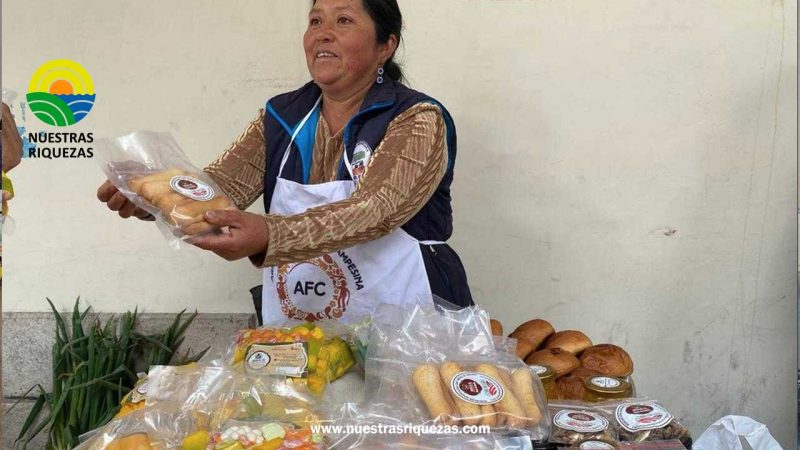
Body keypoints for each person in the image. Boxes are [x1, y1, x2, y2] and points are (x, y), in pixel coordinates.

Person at [97, 0, 473, 323]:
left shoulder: (417, 118)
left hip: (411, 324)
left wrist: (269, 236)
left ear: (385, 46)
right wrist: (156, 197)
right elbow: (221, 189)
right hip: (305, 329)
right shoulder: (282, 116)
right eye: (315, 21)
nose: (323, 33)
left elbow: (376, 209)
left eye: (343, 20)